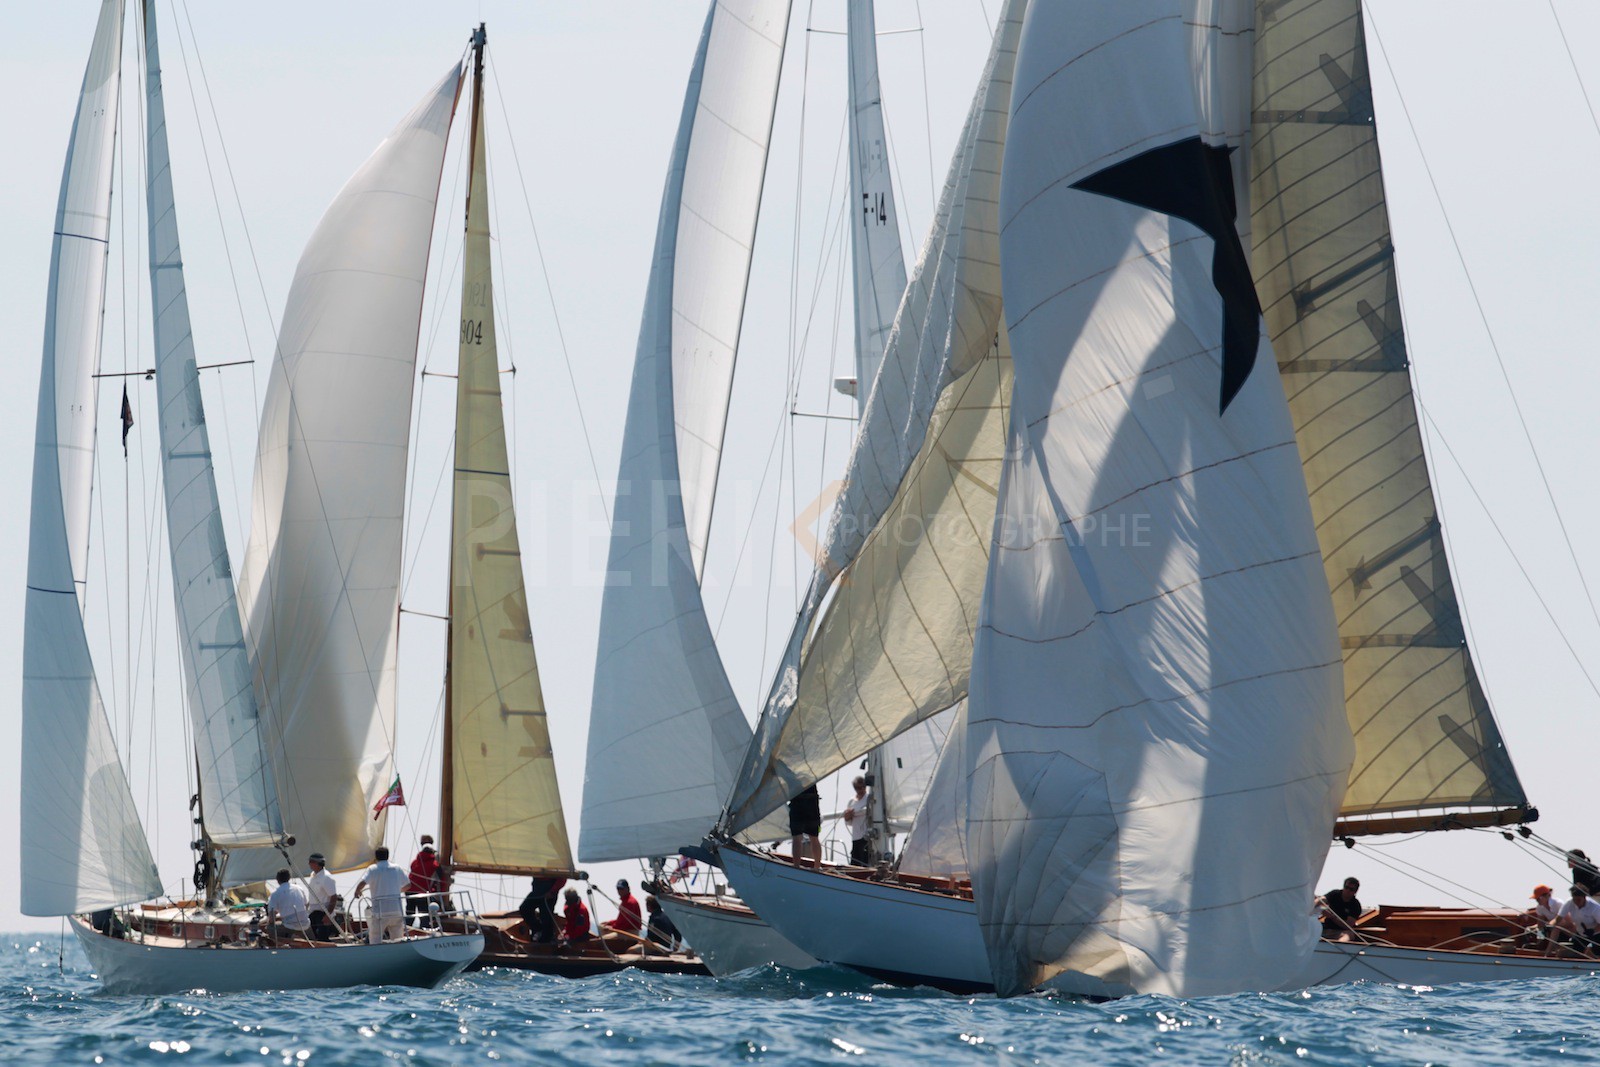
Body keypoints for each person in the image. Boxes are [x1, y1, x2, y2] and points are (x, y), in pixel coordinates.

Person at [353, 846, 408, 945]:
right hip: (396, 909)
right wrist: (397, 891)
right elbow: (408, 885)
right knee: (398, 939)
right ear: (387, 856)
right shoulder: (397, 868)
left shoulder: (372, 869)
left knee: (375, 937)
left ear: (376, 857)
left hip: (380, 911)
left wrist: (357, 891)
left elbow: (363, 882)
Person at [1552, 884, 1600, 957]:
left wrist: (1593, 931)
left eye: (1579, 900)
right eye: (1574, 900)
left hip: (1596, 935)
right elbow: (1559, 918)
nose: (1576, 902)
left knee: (1589, 952)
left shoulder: (1594, 907)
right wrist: (1552, 926)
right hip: (1581, 935)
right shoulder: (1569, 903)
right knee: (1563, 951)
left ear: (1584, 898)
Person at [267, 868, 312, 944]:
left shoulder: (275, 894)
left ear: (277, 880)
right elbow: (306, 904)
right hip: (306, 925)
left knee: (270, 927)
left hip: (290, 927)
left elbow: (272, 918)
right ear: (289, 878)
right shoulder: (299, 888)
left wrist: (270, 922)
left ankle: (283, 942)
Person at [518, 876, 565, 944]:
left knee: (545, 916)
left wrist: (552, 891)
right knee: (524, 908)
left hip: (549, 889)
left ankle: (546, 941)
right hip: (537, 888)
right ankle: (538, 929)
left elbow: (562, 878)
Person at [305, 852, 340, 941]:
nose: (309, 863)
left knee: (322, 938)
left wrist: (328, 915)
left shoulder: (326, 877)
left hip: (323, 913)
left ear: (317, 863)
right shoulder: (313, 875)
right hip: (313, 913)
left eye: (311, 861)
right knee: (310, 937)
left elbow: (333, 897)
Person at [408, 835, 441, 926]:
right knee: (424, 916)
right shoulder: (434, 864)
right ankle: (424, 930)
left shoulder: (414, 862)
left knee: (410, 915)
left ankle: (407, 930)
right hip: (422, 892)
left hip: (410, 891)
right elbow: (440, 878)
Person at [1317, 877, 1363, 941]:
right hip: (1326, 927)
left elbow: (1347, 926)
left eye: (1351, 889)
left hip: (1340, 931)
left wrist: (1332, 917)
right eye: (1346, 887)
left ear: (1355, 891)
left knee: (1349, 935)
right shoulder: (1335, 894)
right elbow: (1323, 899)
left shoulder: (1355, 905)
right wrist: (1316, 903)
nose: (1348, 890)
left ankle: (1339, 945)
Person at [788, 783, 823, 870]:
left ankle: (796, 866)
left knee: (797, 838)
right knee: (814, 837)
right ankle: (817, 867)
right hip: (811, 802)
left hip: (798, 802)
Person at [842, 775, 872, 867]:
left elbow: (870, 811)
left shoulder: (869, 798)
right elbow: (848, 821)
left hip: (866, 837)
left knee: (865, 863)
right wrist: (847, 816)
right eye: (858, 788)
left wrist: (854, 812)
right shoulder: (851, 801)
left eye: (863, 787)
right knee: (855, 864)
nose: (861, 790)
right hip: (855, 837)